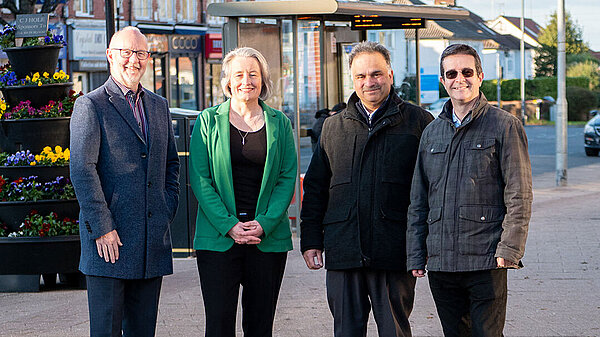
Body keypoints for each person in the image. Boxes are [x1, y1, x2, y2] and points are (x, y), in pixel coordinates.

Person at [300, 41, 433, 337]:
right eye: (361, 76)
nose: (369, 82)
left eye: (376, 74)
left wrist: (423, 246)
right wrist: (311, 240)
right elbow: (316, 188)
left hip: (393, 250)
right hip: (343, 249)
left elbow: (430, 190)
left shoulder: (419, 123)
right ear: (352, 79)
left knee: (394, 331)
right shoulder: (333, 127)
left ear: (390, 74)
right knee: (346, 331)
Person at [406, 44, 533, 337]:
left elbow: (519, 192)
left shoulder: (504, 126)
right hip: (441, 262)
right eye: (451, 73)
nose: (459, 79)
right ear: (442, 80)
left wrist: (510, 248)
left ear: (480, 76)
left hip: (485, 258)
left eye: (466, 72)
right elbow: (418, 199)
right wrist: (416, 254)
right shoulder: (431, 132)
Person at [70, 26, 180, 337]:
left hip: (150, 243)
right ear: (109, 56)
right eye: (126, 53)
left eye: (141, 53)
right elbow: (82, 169)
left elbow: (171, 164)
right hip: (109, 245)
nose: (134, 60)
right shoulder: (90, 105)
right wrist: (102, 227)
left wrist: (165, 208)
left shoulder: (158, 106)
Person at [189, 47, 297, 337]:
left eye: (253, 74)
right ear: (227, 81)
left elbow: (287, 179)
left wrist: (264, 223)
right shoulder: (207, 121)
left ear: (263, 80)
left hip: (267, 238)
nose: (246, 81)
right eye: (239, 74)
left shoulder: (281, 124)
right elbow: (200, 179)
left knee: (260, 326)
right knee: (219, 326)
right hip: (218, 239)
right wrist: (229, 225)